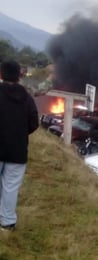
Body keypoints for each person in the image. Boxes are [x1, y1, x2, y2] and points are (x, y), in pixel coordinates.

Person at [0, 60, 39, 231]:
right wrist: (20, 135)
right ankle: (7, 222)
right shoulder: (27, 98)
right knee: (10, 188)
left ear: (1, 74)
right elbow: (34, 122)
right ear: (19, 76)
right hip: (17, 151)